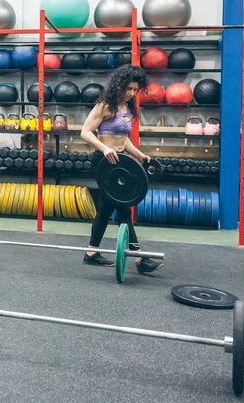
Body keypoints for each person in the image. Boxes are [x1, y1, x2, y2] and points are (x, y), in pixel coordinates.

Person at [80, 64, 163, 274]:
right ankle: (138, 258)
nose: (132, 93)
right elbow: (86, 132)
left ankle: (91, 253)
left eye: (135, 89)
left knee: (108, 209)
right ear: (118, 86)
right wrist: (105, 148)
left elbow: (123, 139)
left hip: (120, 162)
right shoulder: (104, 106)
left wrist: (140, 155)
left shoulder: (128, 108)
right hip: (103, 162)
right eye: (128, 89)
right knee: (123, 209)